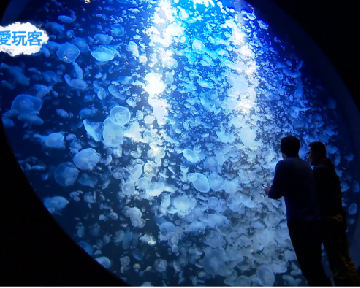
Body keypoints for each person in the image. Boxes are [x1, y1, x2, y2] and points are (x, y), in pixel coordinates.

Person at [264, 136, 332, 286]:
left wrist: (268, 191)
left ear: (282, 150)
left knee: (309, 267)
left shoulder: (283, 165)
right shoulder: (306, 165)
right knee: (315, 264)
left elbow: (276, 192)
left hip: (299, 222)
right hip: (314, 219)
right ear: (298, 149)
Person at [308, 141, 360, 286]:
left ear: (317, 153)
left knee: (338, 262)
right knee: (344, 259)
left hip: (329, 220)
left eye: (310, 153)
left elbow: (316, 197)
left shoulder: (319, 171)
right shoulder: (328, 168)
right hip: (337, 217)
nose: (308, 156)